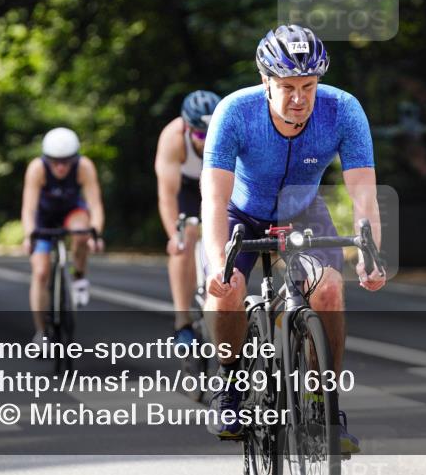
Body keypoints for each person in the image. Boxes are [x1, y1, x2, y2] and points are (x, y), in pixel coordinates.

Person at [201, 24, 387, 451]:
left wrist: (371, 252)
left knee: (330, 291)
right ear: (265, 81)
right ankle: (229, 389)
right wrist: (217, 263)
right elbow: (214, 199)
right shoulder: (234, 111)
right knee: (225, 290)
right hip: (240, 213)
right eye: (287, 87)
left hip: (303, 212)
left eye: (308, 85)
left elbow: (363, 192)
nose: (300, 98)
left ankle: (326, 407)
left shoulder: (343, 110)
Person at [21, 127, 105, 344]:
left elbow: (95, 205)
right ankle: (41, 332)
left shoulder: (84, 167)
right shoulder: (37, 169)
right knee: (40, 272)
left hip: (72, 212)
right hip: (44, 218)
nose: (60, 167)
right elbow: (28, 209)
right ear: (46, 159)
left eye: (66, 161)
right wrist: (29, 236)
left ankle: (79, 277)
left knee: (82, 233)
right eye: (54, 161)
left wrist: (95, 235)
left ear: (74, 158)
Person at [154, 89, 221, 345]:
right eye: (199, 134)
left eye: (210, 134)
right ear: (186, 126)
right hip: (186, 189)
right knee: (185, 238)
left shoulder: (228, 128)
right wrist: (175, 236)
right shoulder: (173, 138)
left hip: (217, 183)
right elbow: (167, 196)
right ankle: (182, 322)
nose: (205, 142)